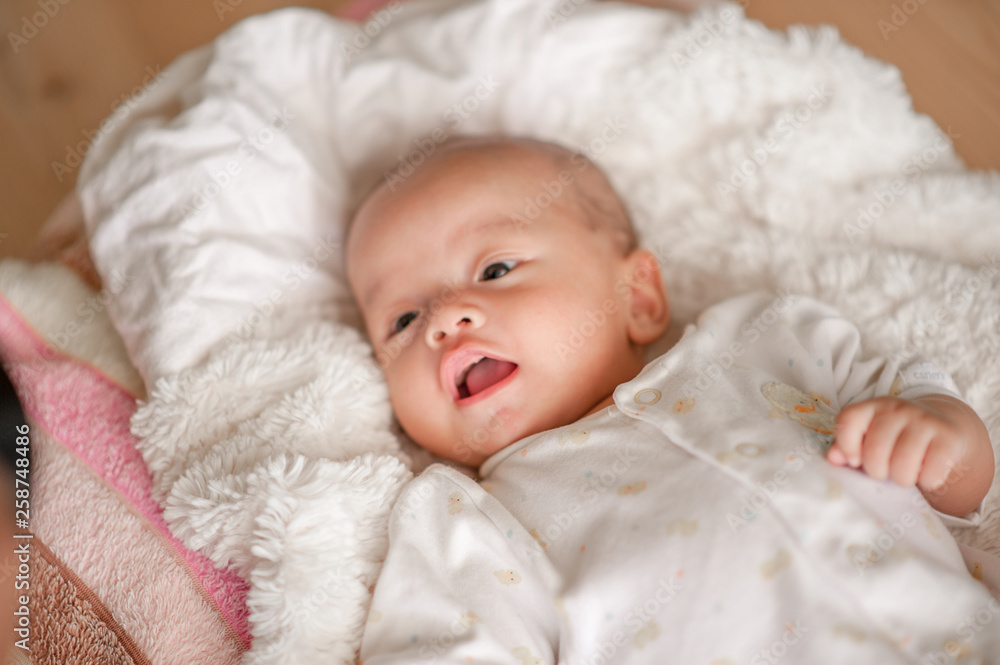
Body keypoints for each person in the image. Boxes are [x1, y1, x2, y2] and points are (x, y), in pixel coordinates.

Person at [346, 135, 1000, 663]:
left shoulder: (762, 341)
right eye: (402, 321)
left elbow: (957, 483)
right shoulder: (473, 521)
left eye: (494, 270)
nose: (444, 319)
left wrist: (938, 437)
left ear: (638, 296)